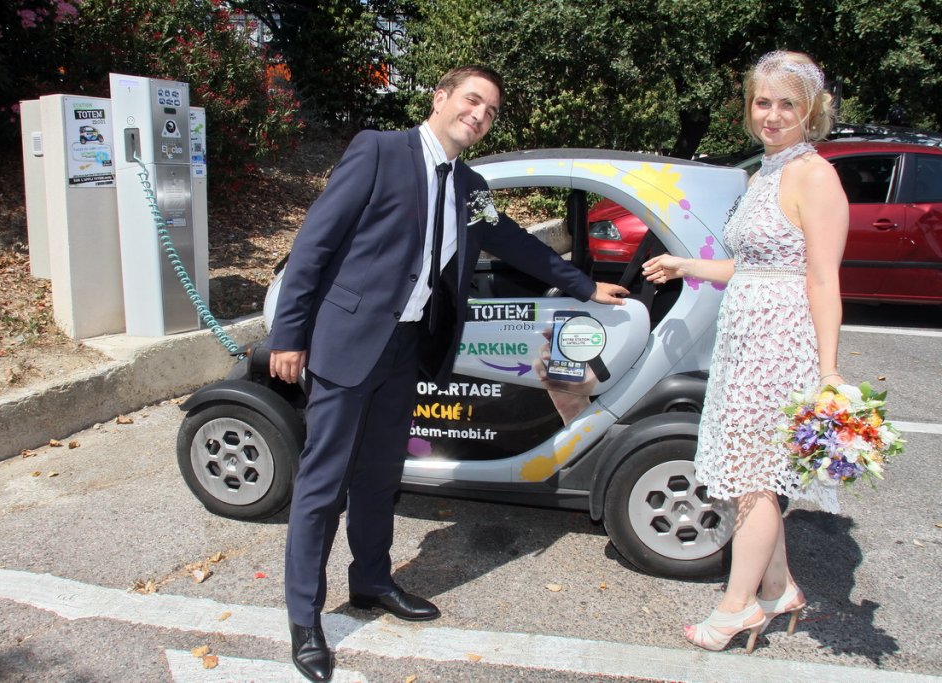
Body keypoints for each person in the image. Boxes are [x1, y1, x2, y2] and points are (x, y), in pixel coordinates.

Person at [268, 64, 628, 682]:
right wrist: (289, 334)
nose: (479, 115)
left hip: (409, 347)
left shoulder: (471, 184)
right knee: (323, 485)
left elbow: (514, 242)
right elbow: (314, 245)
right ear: (440, 97)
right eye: (471, 100)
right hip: (348, 341)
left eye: (489, 110)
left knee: (382, 475)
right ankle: (305, 619)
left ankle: (371, 583)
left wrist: (584, 285)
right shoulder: (379, 151)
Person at [642, 50, 849, 653]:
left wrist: (830, 371)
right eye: (764, 102)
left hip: (782, 344)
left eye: (788, 103)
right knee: (739, 470)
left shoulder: (814, 175)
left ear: (811, 110)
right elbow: (753, 264)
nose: (774, 114)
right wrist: (687, 264)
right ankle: (779, 588)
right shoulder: (764, 172)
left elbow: (823, 280)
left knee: (751, 477)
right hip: (744, 338)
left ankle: (736, 608)